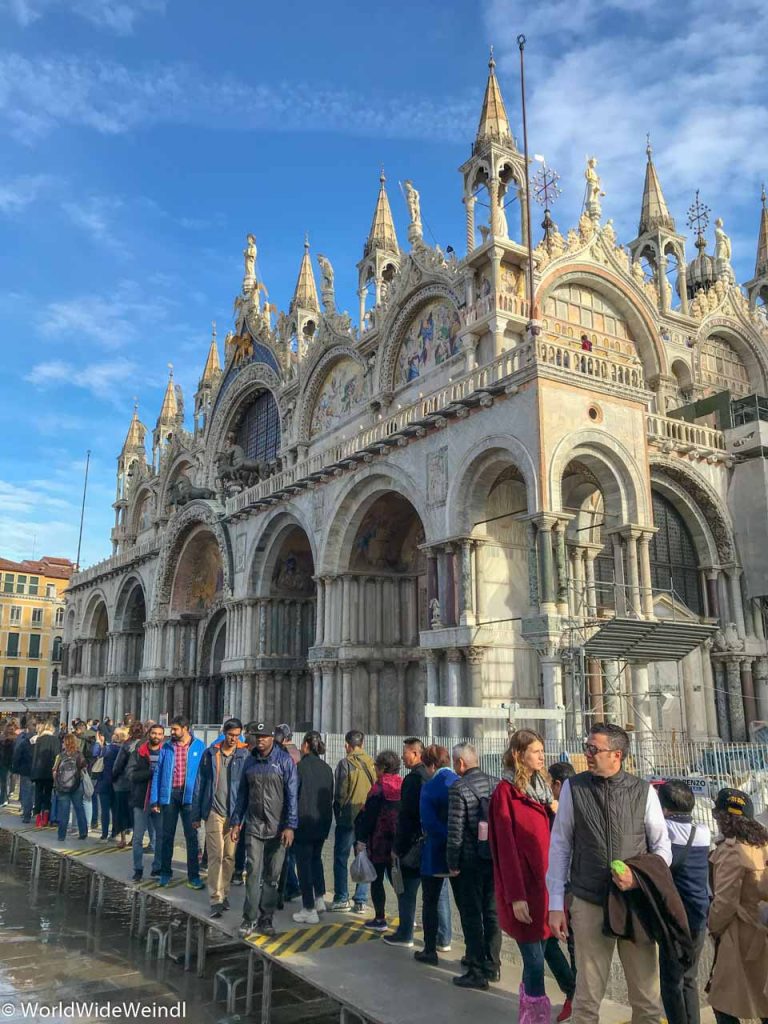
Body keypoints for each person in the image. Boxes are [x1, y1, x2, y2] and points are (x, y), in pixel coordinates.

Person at [547, 723, 672, 1024]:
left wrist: (638, 878)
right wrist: (555, 903)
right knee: (586, 999)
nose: (586, 754)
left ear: (617, 754)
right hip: (590, 901)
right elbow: (560, 846)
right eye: (586, 747)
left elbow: (662, 849)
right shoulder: (573, 789)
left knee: (646, 1000)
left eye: (593, 749)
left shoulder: (644, 792)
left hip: (634, 904)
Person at [490, 730, 575, 1023]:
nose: (542, 756)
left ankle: (572, 993)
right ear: (519, 754)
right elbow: (505, 848)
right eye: (536, 751)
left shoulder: (542, 790)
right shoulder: (505, 792)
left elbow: (557, 839)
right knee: (534, 957)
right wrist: (515, 896)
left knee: (548, 945)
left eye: (542, 750)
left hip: (547, 885)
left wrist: (556, 810)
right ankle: (535, 1014)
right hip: (525, 889)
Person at [230, 721, 298, 938]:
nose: (260, 741)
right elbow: (241, 795)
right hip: (254, 826)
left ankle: (266, 917)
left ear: (272, 738)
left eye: (264, 737)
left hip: (278, 828)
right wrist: (235, 822)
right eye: (257, 737)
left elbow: (292, 797)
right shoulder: (249, 762)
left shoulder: (284, 762)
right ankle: (248, 918)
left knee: (272, 876)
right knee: (252, 872)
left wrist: (290, 825)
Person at [707, 787, 768, 1024]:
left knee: (723, 1003)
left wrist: (713, 927)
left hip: (739, 936)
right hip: (761, 929)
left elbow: (724, 902)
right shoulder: (762, 844)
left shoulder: (731, 851)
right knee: (763, 1001)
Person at [655, 780, 711, 1024]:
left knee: (671, 981)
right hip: (700, 915)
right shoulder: (703, 832)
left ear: (664, 808)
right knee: (689, 979)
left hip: (676, 919)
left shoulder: (665, 831)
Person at [446, 741, 501, 990]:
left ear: (460, 763)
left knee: (471, 915)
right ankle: (493, 965)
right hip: (492, 858)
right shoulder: (496, 784)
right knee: (492, 913)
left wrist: (452, 863)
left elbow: (455, 831)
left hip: (469, 862)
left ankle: (476, 968)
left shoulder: (459, 788)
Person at [192, 718, 249, 917]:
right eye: (231, 735)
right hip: (214, 811)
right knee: (216, 855)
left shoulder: (244, 755)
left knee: (230, 856)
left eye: (237, 735)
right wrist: (197, 813)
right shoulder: (210, 753)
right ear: (224, 733)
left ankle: (224, 893)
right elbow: (200, 783)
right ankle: (215, 898)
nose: (234, 739)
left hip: (234, 814)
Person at [150, 715, 206, 889]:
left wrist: (202, 800)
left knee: (192, 838)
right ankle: (165, 873)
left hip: (190, 796)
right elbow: (158, 772)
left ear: (185, 728)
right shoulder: (167, 747)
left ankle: (193, 876)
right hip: (170, 794)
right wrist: (155, 799)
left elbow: (204, 775)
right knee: (167, 836)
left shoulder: (199, 746)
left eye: (175, 729)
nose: (171, 732)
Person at [414, 744, 456, 967]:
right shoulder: (460, 782)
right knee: (469, 907)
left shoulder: (430, 788)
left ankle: (430, 949)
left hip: (436, 852)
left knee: (430, 901)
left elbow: (428, 823)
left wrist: (445, 836)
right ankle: (476, 957)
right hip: (462, 854)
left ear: (430, 765)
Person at [384, 737, 428, 948]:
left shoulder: (412, 780)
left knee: (406, 891)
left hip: (411, 845)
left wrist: (397, 848)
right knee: (435, 896)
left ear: (416, 754)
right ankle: (443, 936)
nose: (402, 756)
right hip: (427, 843)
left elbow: (406, 818)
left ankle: (405, 933)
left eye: (406, 752)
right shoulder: (430, 776)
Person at [354, 749, 403, 933]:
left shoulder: (378, 788)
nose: (374, 769)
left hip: (379, 842)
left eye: (376, 766)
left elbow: (369, 818)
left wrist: (361, 840)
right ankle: (406, 916)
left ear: (382, 767)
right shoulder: (402, 784)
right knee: (397, 880)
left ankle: (380, 918)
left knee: (377, 880)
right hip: (397, 842)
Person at [291, 731, 334, 925]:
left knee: (304, 865)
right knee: (316, 861)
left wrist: (289, 823)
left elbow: (293, 796)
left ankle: (308, 908)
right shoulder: (326, 768)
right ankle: (319, 900)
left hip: (303, 822)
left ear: (307, 745)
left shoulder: (300, 767)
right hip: (321, 823)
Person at [331, 730, 376, 913]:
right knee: (363, 856)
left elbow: (341, 793)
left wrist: (338, 810)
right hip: (367, 818)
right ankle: (361, 900)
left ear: (347, 745)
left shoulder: (345, 764)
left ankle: (342, 897)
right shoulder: (372, 763)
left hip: (348, 818)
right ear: (363, 744)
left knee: (341, 858)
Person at [128, 722, 165, 882]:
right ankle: (138, 868)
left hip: (160, 802)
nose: (156, 736)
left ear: (163, 736)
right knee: (137, 837)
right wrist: (149, 773)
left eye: (159, 734)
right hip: (141, 799)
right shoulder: (139, 751)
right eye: (153, 733)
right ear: (149, 734)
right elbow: (130, 774)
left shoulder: (167, 752)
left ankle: (157, 868)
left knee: (159, 837)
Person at [275, 724, 301, 904]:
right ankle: (291, 886)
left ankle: (290, 887)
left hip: (285, 810)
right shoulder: (298, 753)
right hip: (297, 809)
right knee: (290, 853)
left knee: (285, 854)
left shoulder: (285, 756)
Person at [112, 722, 144, 848]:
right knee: (135, 812)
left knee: (121, 811)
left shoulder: (127, 745)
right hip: (138, 783)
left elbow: (118, 764)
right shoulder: (145, 745)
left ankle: (123, 839)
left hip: (123, 782)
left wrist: (113, 777)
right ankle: (135, 838)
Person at [52, 733, 88, 841]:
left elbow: (54, 771)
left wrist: (57, 783)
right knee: (79, 809)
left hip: (63, 788)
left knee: (64, 811)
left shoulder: (60, 756)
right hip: (76, 786)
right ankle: (83, 832)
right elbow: (84, 768)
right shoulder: (79, 755)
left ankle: (61, 835)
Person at [97, 726, 127, 842]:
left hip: (105, 781)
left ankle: (104, 833)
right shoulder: (124, 751)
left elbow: (98, 758)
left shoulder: (107, 749)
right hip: (118, 783)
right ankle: (115, 832)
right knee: (116, 809)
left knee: (105, 810)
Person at [31, 720, 59, 828]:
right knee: (47, 795)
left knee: (38, 794)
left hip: (38, 771)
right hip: (50, 772)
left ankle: (38, 820)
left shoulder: (39, 739)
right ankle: (45, 819)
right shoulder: (55, 740)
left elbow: (35, 757)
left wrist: (33, 773)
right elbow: (57, 756)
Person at [12, 717, 36, 823]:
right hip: (37, 770)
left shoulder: (23, 739)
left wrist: (15, 768)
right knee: (35, 792)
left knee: (27, 793)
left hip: (26, 770)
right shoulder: (41, 740)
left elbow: (17, 754)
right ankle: (36, 813)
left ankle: (27, 814)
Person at [0, 720, 18, 806]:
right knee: (4, 781)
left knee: (8, 780)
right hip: (4, 762)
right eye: (9, 729)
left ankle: (6, 796)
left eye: (11, 729)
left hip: (11, 762)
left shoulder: (15, 739)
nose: (10, 730)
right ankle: (4, 798)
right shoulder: (2, 738)